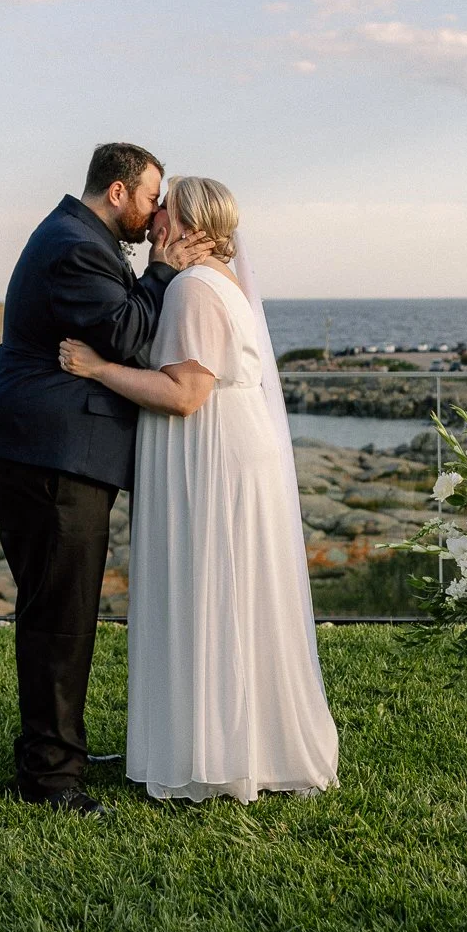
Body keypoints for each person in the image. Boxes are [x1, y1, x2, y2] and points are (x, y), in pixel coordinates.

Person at [60, 176, 339, 804]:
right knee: (229, 592)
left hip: (211, 456)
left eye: (165, 209)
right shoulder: (218, 282)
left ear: (188, 224)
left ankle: (215, 753)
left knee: (212, 588)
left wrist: (99, 368)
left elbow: (185, 395)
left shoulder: (192, 288)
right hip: (224, 449)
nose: (154, 216)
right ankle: (229, 741)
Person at [0, 142, 209, 816]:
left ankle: (57, 749)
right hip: (49, 450)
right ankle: (50, 777)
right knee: (61, 615)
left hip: (50, 445)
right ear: (118, 192)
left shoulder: (79, 238)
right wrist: (162, 270)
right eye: (152, 198)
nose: (157, 212)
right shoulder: (75, 246)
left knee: (60, 608)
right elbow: (129, 334)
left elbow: (116, 326)